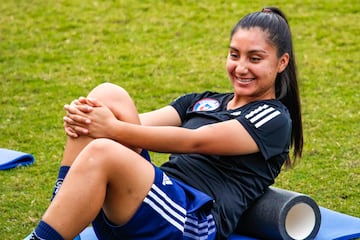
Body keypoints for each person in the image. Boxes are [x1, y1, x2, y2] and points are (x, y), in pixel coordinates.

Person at [28, 6, 303, 240]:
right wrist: (90, 120)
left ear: (281, 63)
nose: (241, 67)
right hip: (157, 201)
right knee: (107, 95)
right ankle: (62, 222)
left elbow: (196, 141)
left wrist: (109, 129)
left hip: (191, 221)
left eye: (255, 58)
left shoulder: (273, 118)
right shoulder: (204, 101)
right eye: (234, 55)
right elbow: (140, 126)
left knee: (104, 150)